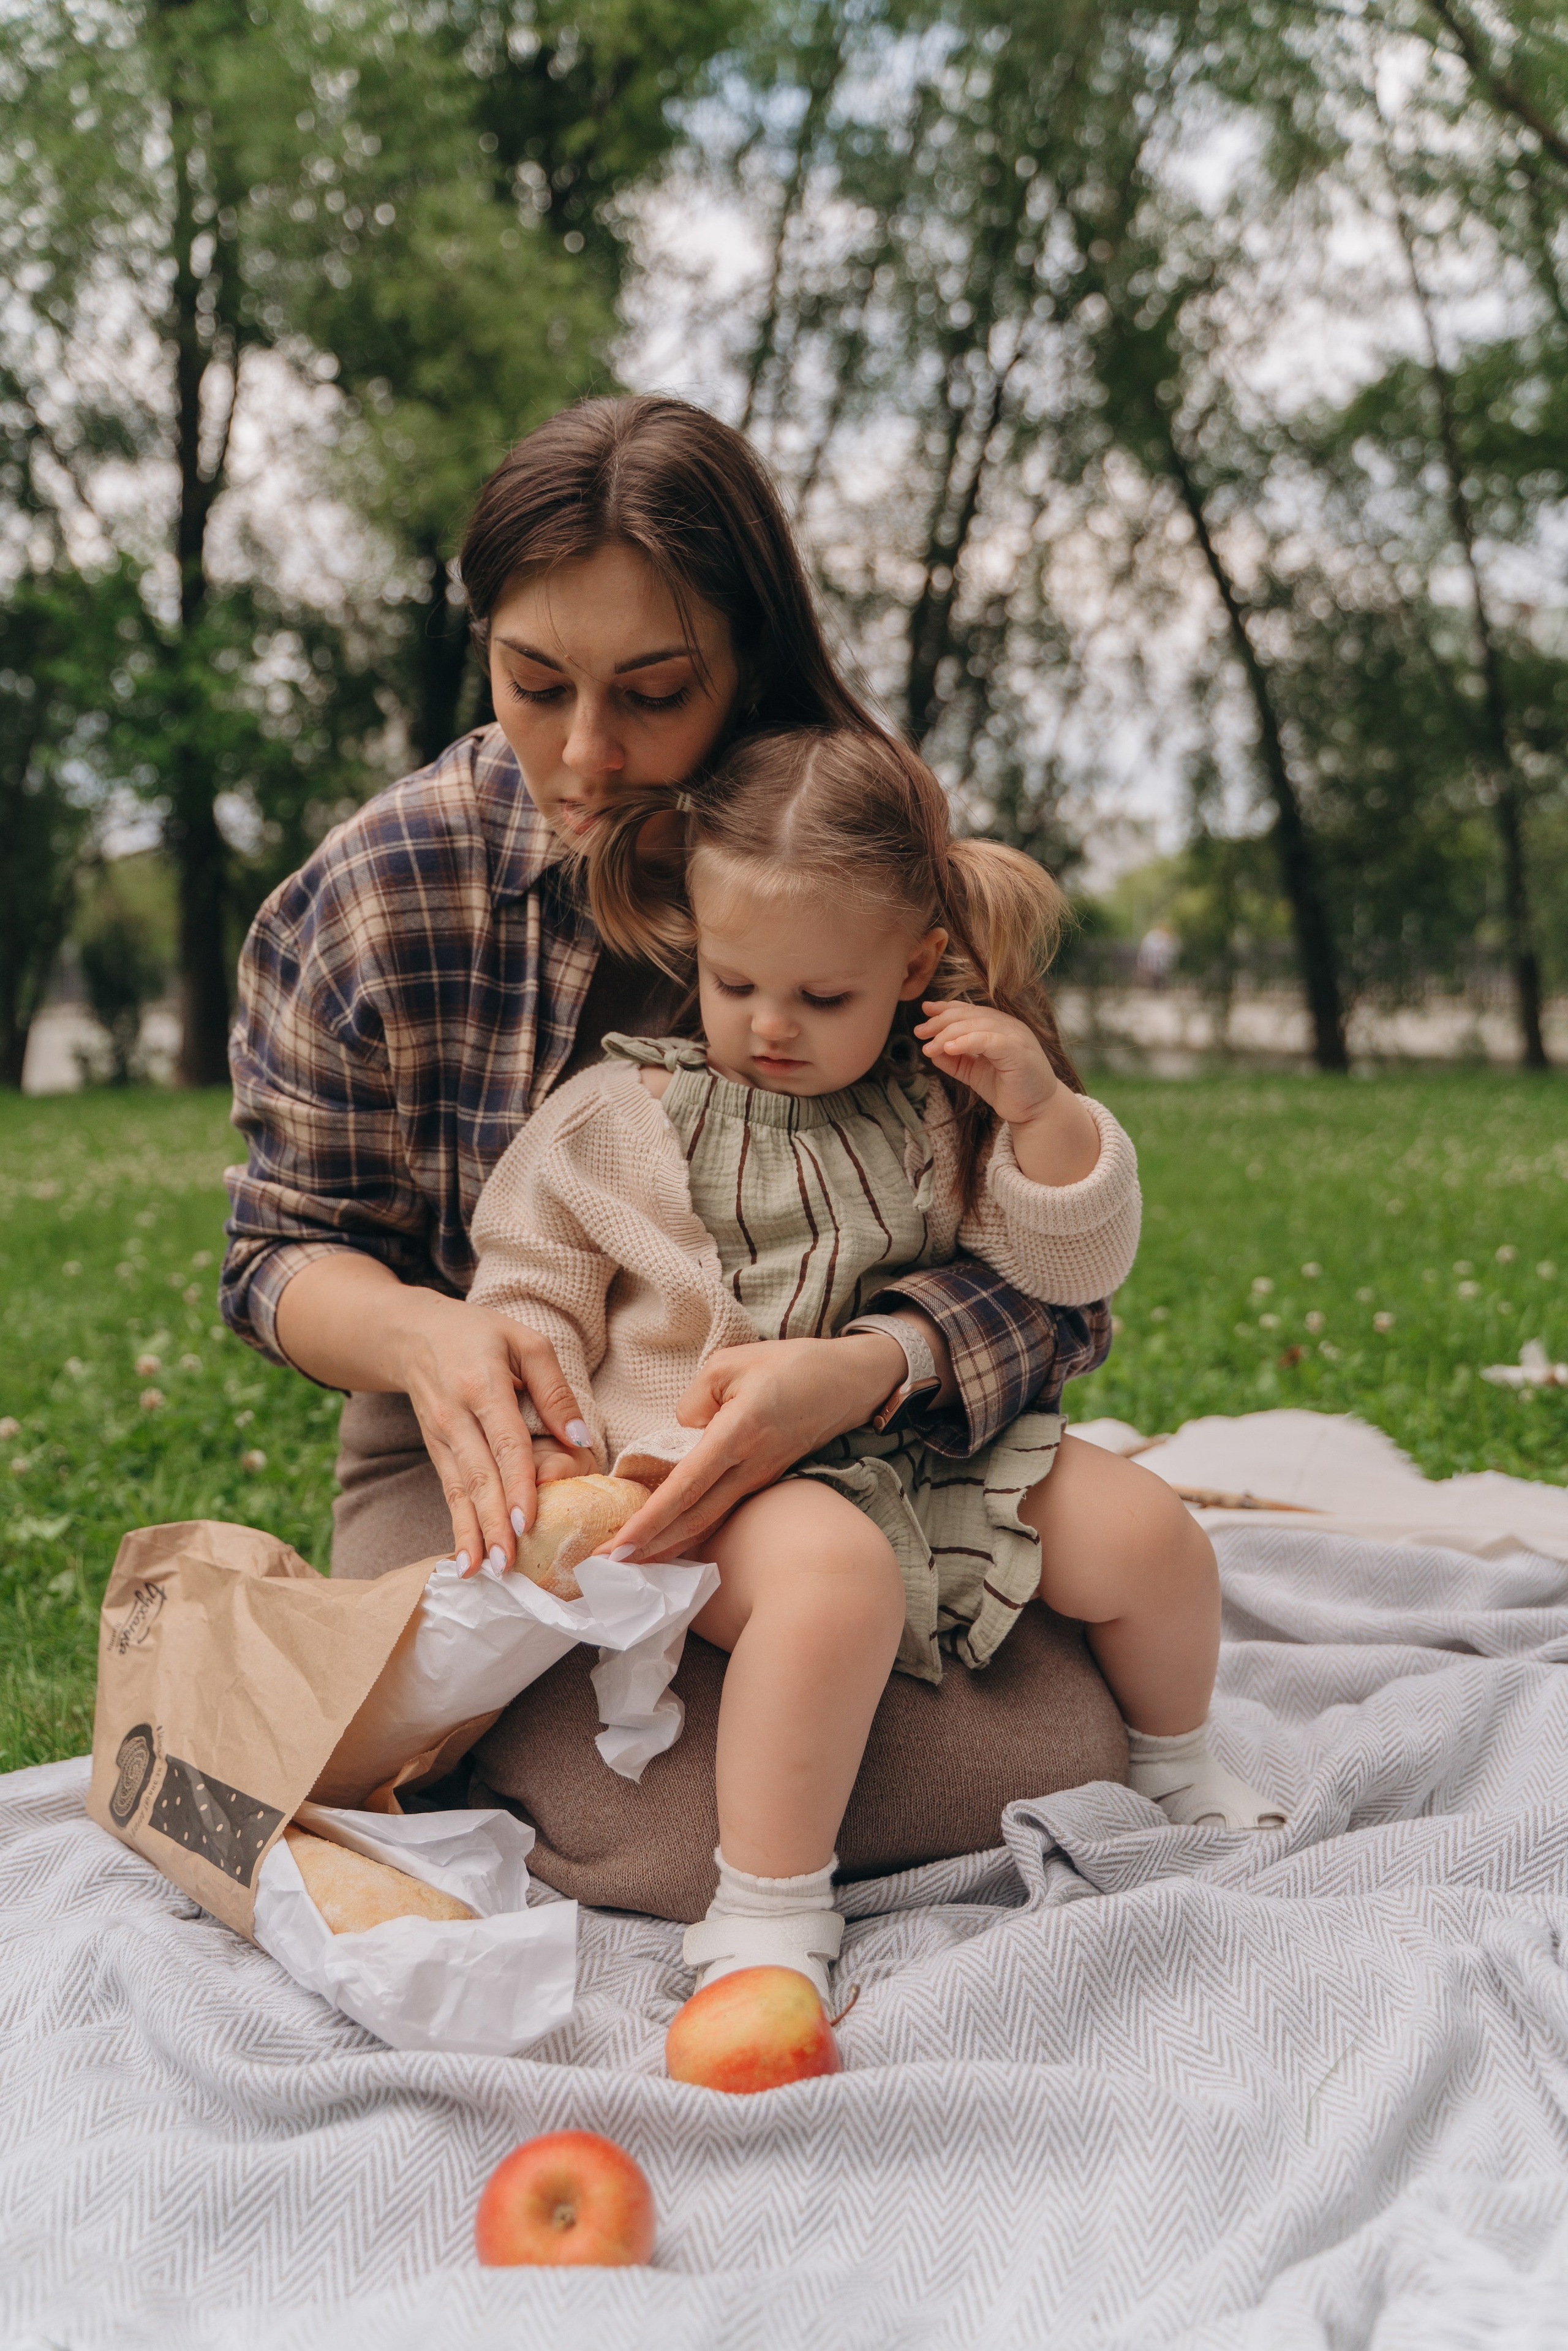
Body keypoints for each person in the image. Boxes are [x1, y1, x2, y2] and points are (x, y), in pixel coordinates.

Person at [217, 391, 1188, 1866]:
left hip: (869, 1451)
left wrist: (868, 1370)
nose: (586, 754)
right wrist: (429, 1339)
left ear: (747, 664)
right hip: (503, 1455)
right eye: (534, 682)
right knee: (695, 1834)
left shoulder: (853, 858)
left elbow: (1052, 1279)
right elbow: (276, 1252)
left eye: (652, 693)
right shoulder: (374, 893)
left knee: (1036, 1749)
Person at [466, 729, 1286, 1998]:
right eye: (734, 983)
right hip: (717, 1473)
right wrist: (554, 1433)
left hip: (928, 1437)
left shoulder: (936, 1100)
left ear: (911, 968)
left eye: (824, 997)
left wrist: (1041, 1116)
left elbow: (1067, 1268)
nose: (772, 1026)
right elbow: (532, 1286)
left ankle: (1171, 1758)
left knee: (1149, 1533)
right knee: (833, 1583)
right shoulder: (610, 1119)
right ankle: (766, 1902)